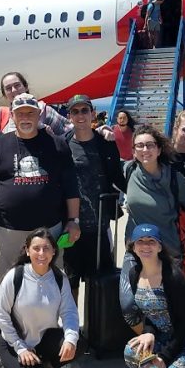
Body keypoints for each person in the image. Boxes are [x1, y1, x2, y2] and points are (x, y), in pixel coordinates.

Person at [0, 92, 80, 368]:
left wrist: (73, 220)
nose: (25, 117)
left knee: (54, 287)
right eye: (20, 113)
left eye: (30, 112)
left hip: (47, 234)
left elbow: (70, 186)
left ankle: (55, 342)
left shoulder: (57, 144)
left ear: (38, 115)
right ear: (12, 116)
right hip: (7, 231)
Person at [0, 228, 81, 368]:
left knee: (79, 342)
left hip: (42, 342)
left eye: (46, 248)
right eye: (36, 248)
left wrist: (70, 340)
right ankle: (10, 367)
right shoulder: (15, 276)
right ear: (27, 250)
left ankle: (46, 366)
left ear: (54, 251)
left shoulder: (59, 278)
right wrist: (20, 348)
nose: (41, 253)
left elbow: (69, 312)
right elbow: (1, 315)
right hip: (13, 342)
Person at [120, 224, 185, 368]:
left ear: (159, 247)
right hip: (164, 337)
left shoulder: (173, 276)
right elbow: (148, 312)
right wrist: (149, 332)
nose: (145, 246)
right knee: (131, 354)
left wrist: (163, 358)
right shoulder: (134, 274)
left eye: (151, 242)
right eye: (140, 241)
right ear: (133, 246)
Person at [63, 94, 126, 304]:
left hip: (99, 225)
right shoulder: (62, 145)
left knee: (98, 279)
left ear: (92, 113)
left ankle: (96, 327)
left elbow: (118, 177)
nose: (80, 115)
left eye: (84, 110)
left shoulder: (106, 144)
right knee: (70, 281)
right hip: (71, 224)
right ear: (69, 115)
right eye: (75, 111)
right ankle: (72, 328)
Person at [122, 125, 185, 267]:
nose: (145, 150)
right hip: (136, 251)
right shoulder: (128, 170)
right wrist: (102, 131)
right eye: (140, 146)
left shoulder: (174, 178)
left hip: (168, 252)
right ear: (133, 152)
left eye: (150, 145)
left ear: (159, 150)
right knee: (130, 289)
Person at [0, 72, 72, 136]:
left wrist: (52, 138)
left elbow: (70, 133)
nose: (13, 90)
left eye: (17, 85)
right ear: (4, 94)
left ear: (26, 86)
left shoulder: (44, 111)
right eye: (8, 88)